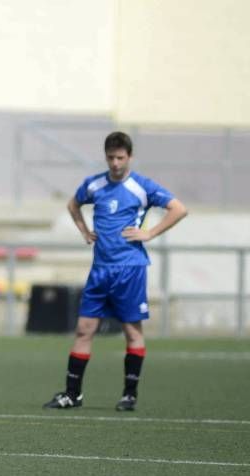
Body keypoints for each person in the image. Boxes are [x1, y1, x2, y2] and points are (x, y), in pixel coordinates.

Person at [43, 131, 187, 412]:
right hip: (100, 270)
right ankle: (73, 394)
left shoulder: (141, 187)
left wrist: (150, 233)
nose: (116, 163)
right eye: (111, 157)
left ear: (130, 157)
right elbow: (73, 204)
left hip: (130, 270)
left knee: (131, 330)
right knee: (84, 329)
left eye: (120, 157)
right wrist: (85, 230)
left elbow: (178, 209)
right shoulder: (95, 184)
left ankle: (129, 395)